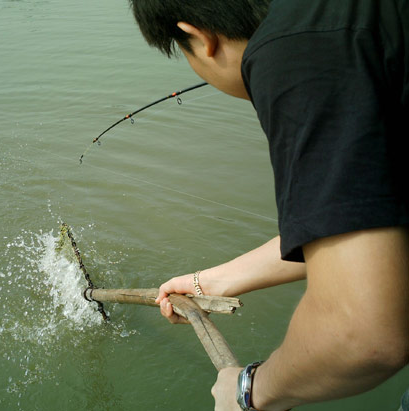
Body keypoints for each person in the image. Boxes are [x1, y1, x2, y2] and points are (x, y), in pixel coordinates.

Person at [128, 0, 409, 410]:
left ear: (199, 38)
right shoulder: (348, 20)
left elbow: (363, 335)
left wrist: (249, 391)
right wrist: (212, 280)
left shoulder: (294, 50)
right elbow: (363, 223)